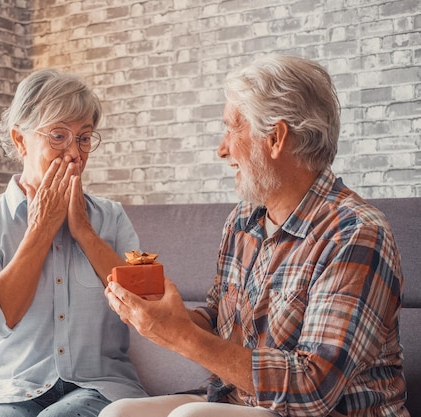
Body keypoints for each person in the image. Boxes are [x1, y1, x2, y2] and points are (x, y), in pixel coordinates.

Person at [101, 54, 409, 417]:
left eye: (232, 128)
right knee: (119, 413)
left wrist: (182, 337)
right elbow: (218, 323)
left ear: (276, 138)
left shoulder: (355, 233)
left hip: (326, 412)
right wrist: (169, 319)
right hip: (239, 404)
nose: (222, 148)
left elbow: (313, 389)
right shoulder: (243, 221)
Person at [0, 68, 147, 417]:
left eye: (84, 138)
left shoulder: (112, 218)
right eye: (58, 136)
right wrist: (41, 228)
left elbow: (145, 310)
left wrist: (85, 232)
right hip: (7, 388)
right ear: (20, 140)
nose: (74, 153)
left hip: (100, 385)